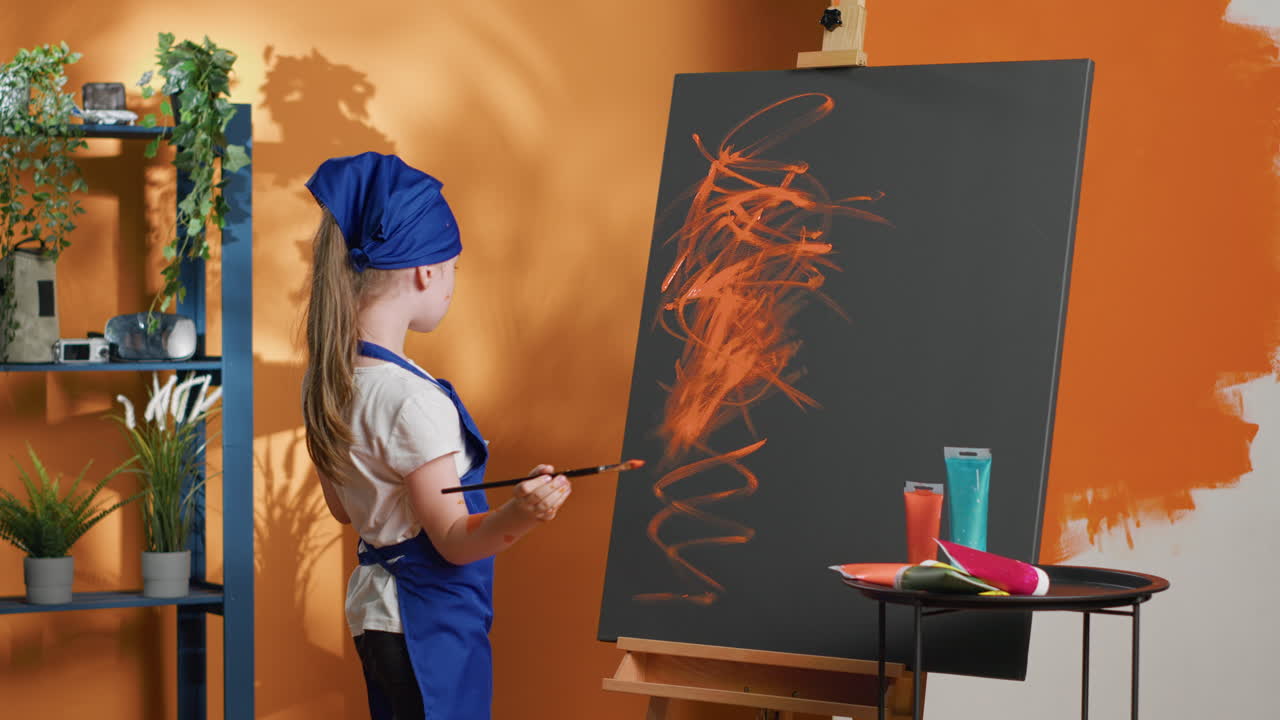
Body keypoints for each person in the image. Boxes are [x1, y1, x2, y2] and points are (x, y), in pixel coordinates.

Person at [299, 152, 572, 720]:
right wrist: (522, 514)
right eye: (453, 269)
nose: (451, 282)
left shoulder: (330, 381)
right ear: (427, 272)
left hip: (379, 619)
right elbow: (452, 541)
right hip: (426, 625)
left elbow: (344, 509)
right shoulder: (412, 401)